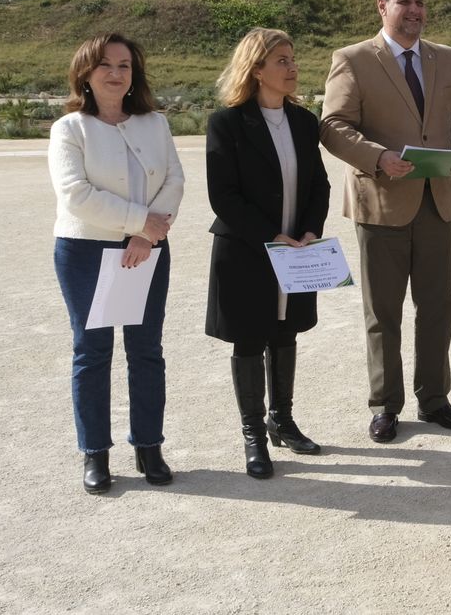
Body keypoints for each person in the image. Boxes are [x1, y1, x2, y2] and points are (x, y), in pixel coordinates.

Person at [321, 0, 451, 443]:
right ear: (382, 6)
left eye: (421, 3)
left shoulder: (447, 59)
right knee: (383, 312)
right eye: (405, 2)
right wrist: (378, 158)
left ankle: (434, 399)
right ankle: (385, 405)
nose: (415, 10)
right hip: (381, 204)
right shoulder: (352, 60)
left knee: (438, 307)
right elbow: (333, 125)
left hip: (438, 201)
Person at [48, 33, 184, 495]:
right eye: (105, 64)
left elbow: (174, 180)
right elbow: (76, 195)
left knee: (147, 350)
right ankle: (95, 452)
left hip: (149, 249)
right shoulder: (69, 129)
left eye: (124, 65)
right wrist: (139, 223)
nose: (115, 73)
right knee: (92, 351)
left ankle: (149, 446)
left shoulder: (154, 124)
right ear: (85, 72)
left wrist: (146, 235)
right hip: (86, 250)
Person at [206, 28, 332, 477]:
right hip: (245, 251)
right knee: (249, 339)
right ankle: (254, 437)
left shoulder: (303, 122)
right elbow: (223, 196)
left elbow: (319, 184)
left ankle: (283, 421)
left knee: (285, 333)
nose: (292, 67)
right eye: (282, 60)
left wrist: (311, 231)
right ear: (257, 69)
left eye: (293, 58)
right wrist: (270, 236)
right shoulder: (227, 123)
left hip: (296, 249)